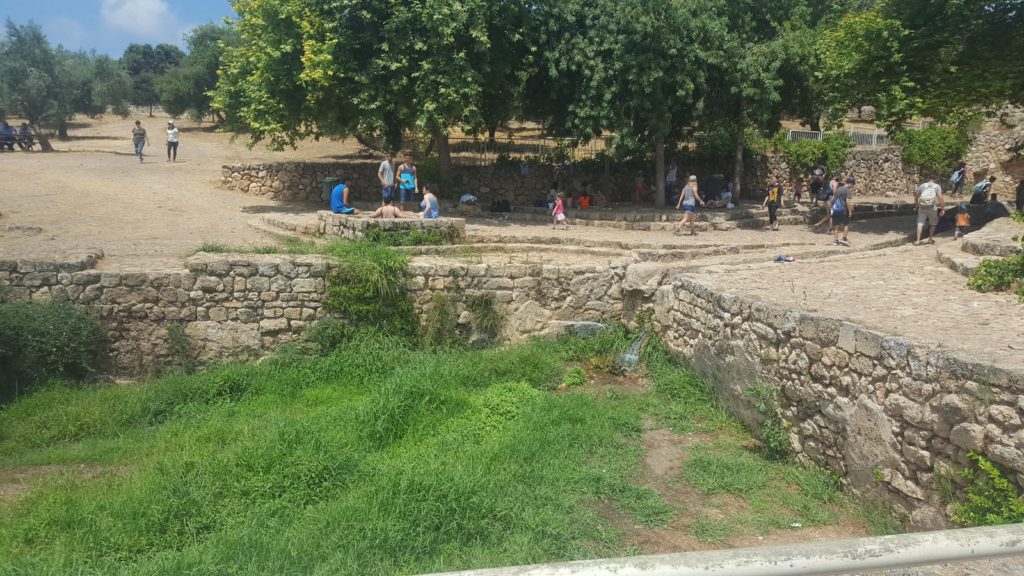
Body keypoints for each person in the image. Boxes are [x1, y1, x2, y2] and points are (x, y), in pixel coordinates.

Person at [914, 177, 945, 245]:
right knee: (933, 224)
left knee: (920, 223)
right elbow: (940, 197)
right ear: (935, 180)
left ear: (928, 179)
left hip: (922, 207)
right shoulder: (937, 186)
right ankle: (930, 239)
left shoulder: (922, 186)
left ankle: (918, 240)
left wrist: (916, 205)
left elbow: (916, 197)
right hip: (932, 208)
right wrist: (942, 208)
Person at [830, 177, 855, 246]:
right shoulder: (848, 191)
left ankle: (835, 241)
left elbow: (832, 200)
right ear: (850, 184)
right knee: (846, 224)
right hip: (844, 210)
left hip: (836, 209)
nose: (852, 187)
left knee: (836, 226)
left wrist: (832, 208)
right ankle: (844, 238)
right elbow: (847, 202)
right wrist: (850, 211)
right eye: (852, 185)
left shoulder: (838, 189)